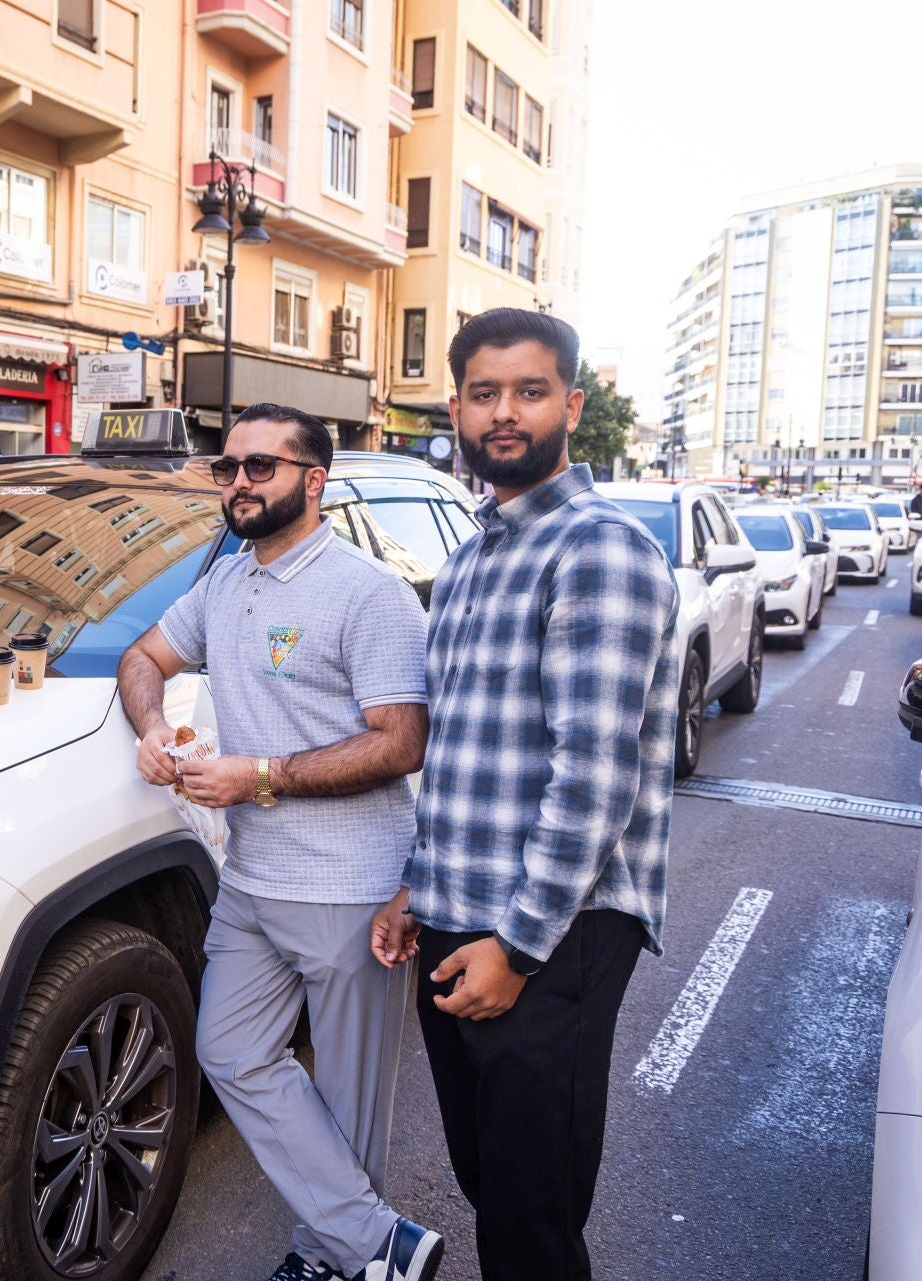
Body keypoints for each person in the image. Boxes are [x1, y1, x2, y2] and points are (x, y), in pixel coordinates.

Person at [371, 309, 678, 1281]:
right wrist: (419, 885)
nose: (505, 413)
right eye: (484, 393)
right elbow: (464, 752)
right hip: (466, 914)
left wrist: (519, 947)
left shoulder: (598, 549)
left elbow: (595, 776)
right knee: (491, 1188)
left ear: (571, 405)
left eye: (530, 391)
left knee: (531, 1221)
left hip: (558, 930)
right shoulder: (467, 563)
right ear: (456, 407)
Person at [119, 404, 443, 1281]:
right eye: (229, 468)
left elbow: (400, 741)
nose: (239, 483)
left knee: (347, 1099)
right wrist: (153, 731)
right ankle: (379, 1244)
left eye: (260, 466)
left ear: (314, 480)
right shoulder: (225, 584)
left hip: (350, 884)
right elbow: (141, 660)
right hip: (253, 877)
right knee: (226, 1050)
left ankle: (333, 1258)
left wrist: (257, 774)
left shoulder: (367, 592)